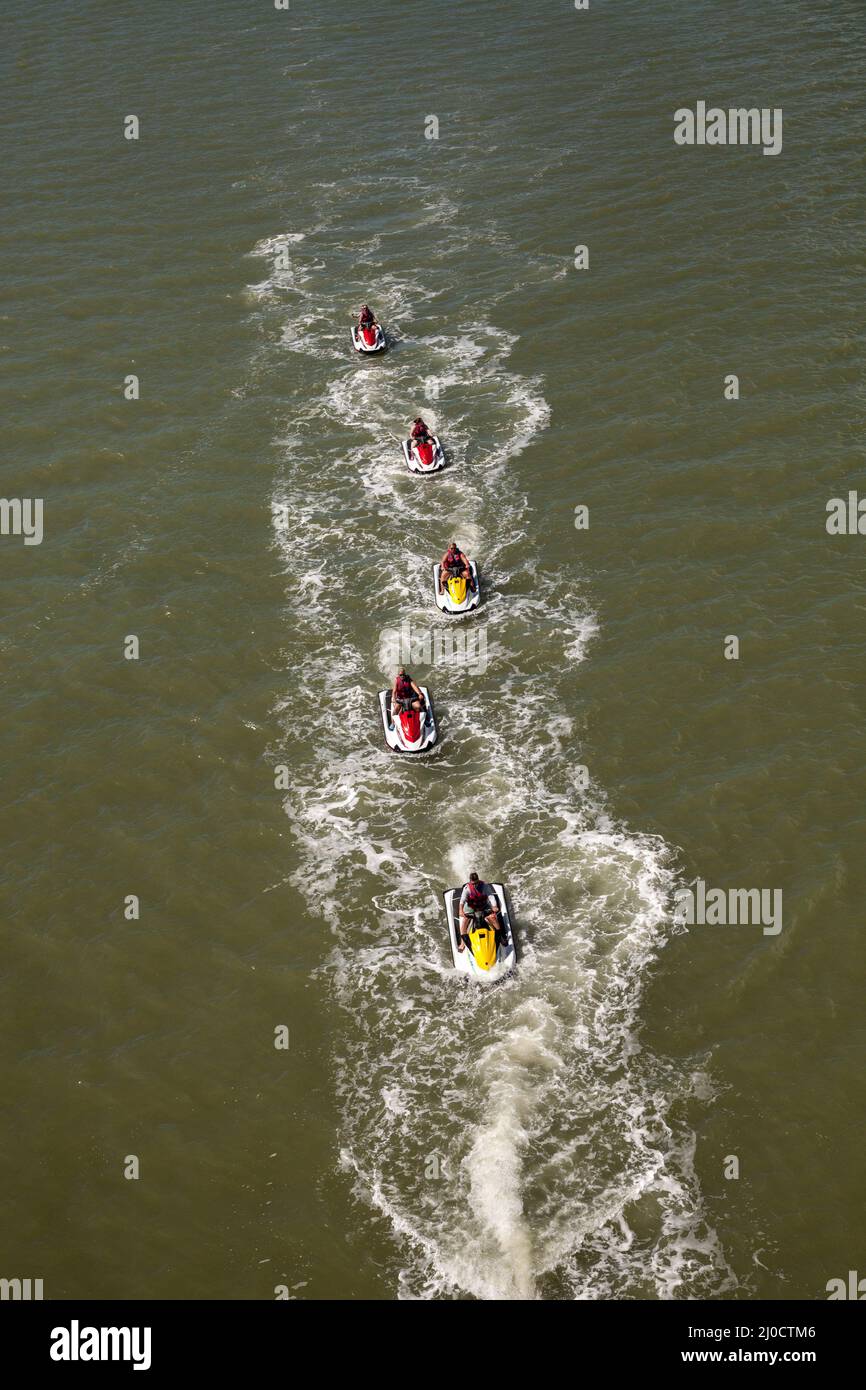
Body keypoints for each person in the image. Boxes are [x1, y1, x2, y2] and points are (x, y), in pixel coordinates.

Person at [458, 872, 502, 952]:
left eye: (476, 883)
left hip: (483, 906)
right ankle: (462, 943)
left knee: (493, 918)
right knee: (464, 922)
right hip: (471, 907)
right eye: (473, 884)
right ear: (470, 882)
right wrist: (461, 911)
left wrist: (494, 906)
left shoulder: (484, 886)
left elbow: (491, 896)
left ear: (478, 880)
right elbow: (462, 901)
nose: (475, 885)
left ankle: (500, 936)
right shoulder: (467, 888)